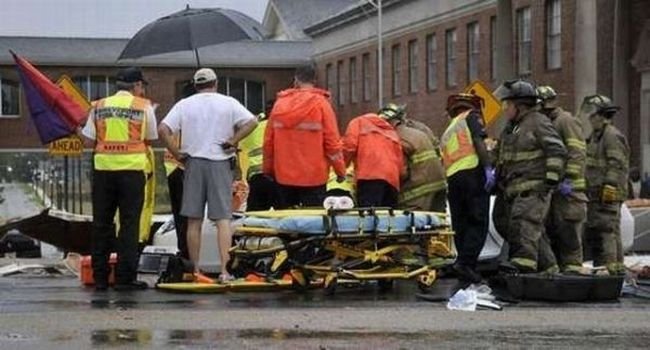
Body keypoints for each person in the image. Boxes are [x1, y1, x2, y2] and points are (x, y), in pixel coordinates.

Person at [159, 68, 257, 282]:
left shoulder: (184, 105)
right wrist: (232, 140)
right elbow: (252, 122)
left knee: (193, 220)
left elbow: (163, 129)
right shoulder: (229, 103)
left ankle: (195, 271)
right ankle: (224, 270)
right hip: (220, 162)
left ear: (195, 85)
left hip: (192, 163)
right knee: (223, 219)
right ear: (216, 83)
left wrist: (177, 153)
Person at [80, 67, 158, 291]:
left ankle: (101, 278)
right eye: (141, 86)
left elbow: (88, 141)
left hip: (103, 171)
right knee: (129, 225)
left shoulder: (99, 106)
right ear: (136, 86)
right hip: (132, 172)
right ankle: (125, 278)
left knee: (101, 224)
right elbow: (151, 136)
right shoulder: (143, 107)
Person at [492, 79, 567, 273]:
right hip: (512, 188)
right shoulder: (511, 128)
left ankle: (523, 266)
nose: (504, 109)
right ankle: (549, 268)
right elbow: (500, 154)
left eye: (507, 105)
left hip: (534, 187)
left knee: (524, 224)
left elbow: (557, 150)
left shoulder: (538, 122)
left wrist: (550, 178)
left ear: (520, 105)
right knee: (512, 225)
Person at [263, 65, 346, 208]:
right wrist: (340, 171)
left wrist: (268, 169)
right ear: (315, 80)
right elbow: (332, 144)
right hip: (314, 176)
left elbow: (269, 142)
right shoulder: (321, 105)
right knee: (313, 222)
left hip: (283, 175)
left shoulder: (279, 105)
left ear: (295, 80)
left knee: (285, 221)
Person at [440, 93, 493, 283]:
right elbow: (479, 142)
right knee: (478, 221)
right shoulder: (471, 117)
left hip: (454, 178)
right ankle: (466, 263)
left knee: (460, 223)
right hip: (472, 172)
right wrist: (488, 167)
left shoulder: (449, 129)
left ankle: (463, 264)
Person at [536, 85, 587, 274]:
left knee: (569, 232)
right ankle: (559, 273)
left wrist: (570, 178)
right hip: (554, 188)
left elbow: (577, 152)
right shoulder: (547, 122)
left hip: (569, 191)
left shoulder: (565, 121)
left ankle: (573, 272)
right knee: (553, 229)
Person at [582, 94, 630, 275]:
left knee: (607, 231)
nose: (589, 118)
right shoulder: (596, 136)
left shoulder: (611, 136)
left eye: (592, 115)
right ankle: (611, 269)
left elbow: (616, 164)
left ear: (601, 116)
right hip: (596, 193)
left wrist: (609, 187)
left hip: (607, 193)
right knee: (603, 231)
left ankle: (611, 271)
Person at [380, 103, 446, 211]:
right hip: (439, 185)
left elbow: (402, 172)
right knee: (438, 223)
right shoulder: (419, 132)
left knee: (411, 224)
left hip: (418, 192)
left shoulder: (395, 138)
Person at [343, 111, 404, 207]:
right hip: (392, 180)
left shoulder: (358, 122)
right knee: (388, 217)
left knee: (368, 215)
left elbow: (349, 146)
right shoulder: (391, 131)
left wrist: (341, 167)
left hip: (369, 176)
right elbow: (400, 162)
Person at [239, 100, 277, 211]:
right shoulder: (282, 127)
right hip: (279, 177)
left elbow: (240, 146)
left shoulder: (253, 127)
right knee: (283, 215)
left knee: (255, 216)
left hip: (257, 177)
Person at [404, 117, 447, 212]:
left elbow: (402, 171)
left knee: (416, 220)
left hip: (420, 189)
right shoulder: (422, 129)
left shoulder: (401, 136)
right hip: (440, 182)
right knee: (439, 220)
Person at [163, 132, 188, 258]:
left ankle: (186, 260)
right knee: (187, 220)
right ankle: (187, 262)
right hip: (182, 167)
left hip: (176, 166)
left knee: (183, 220)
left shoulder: (176, 112)